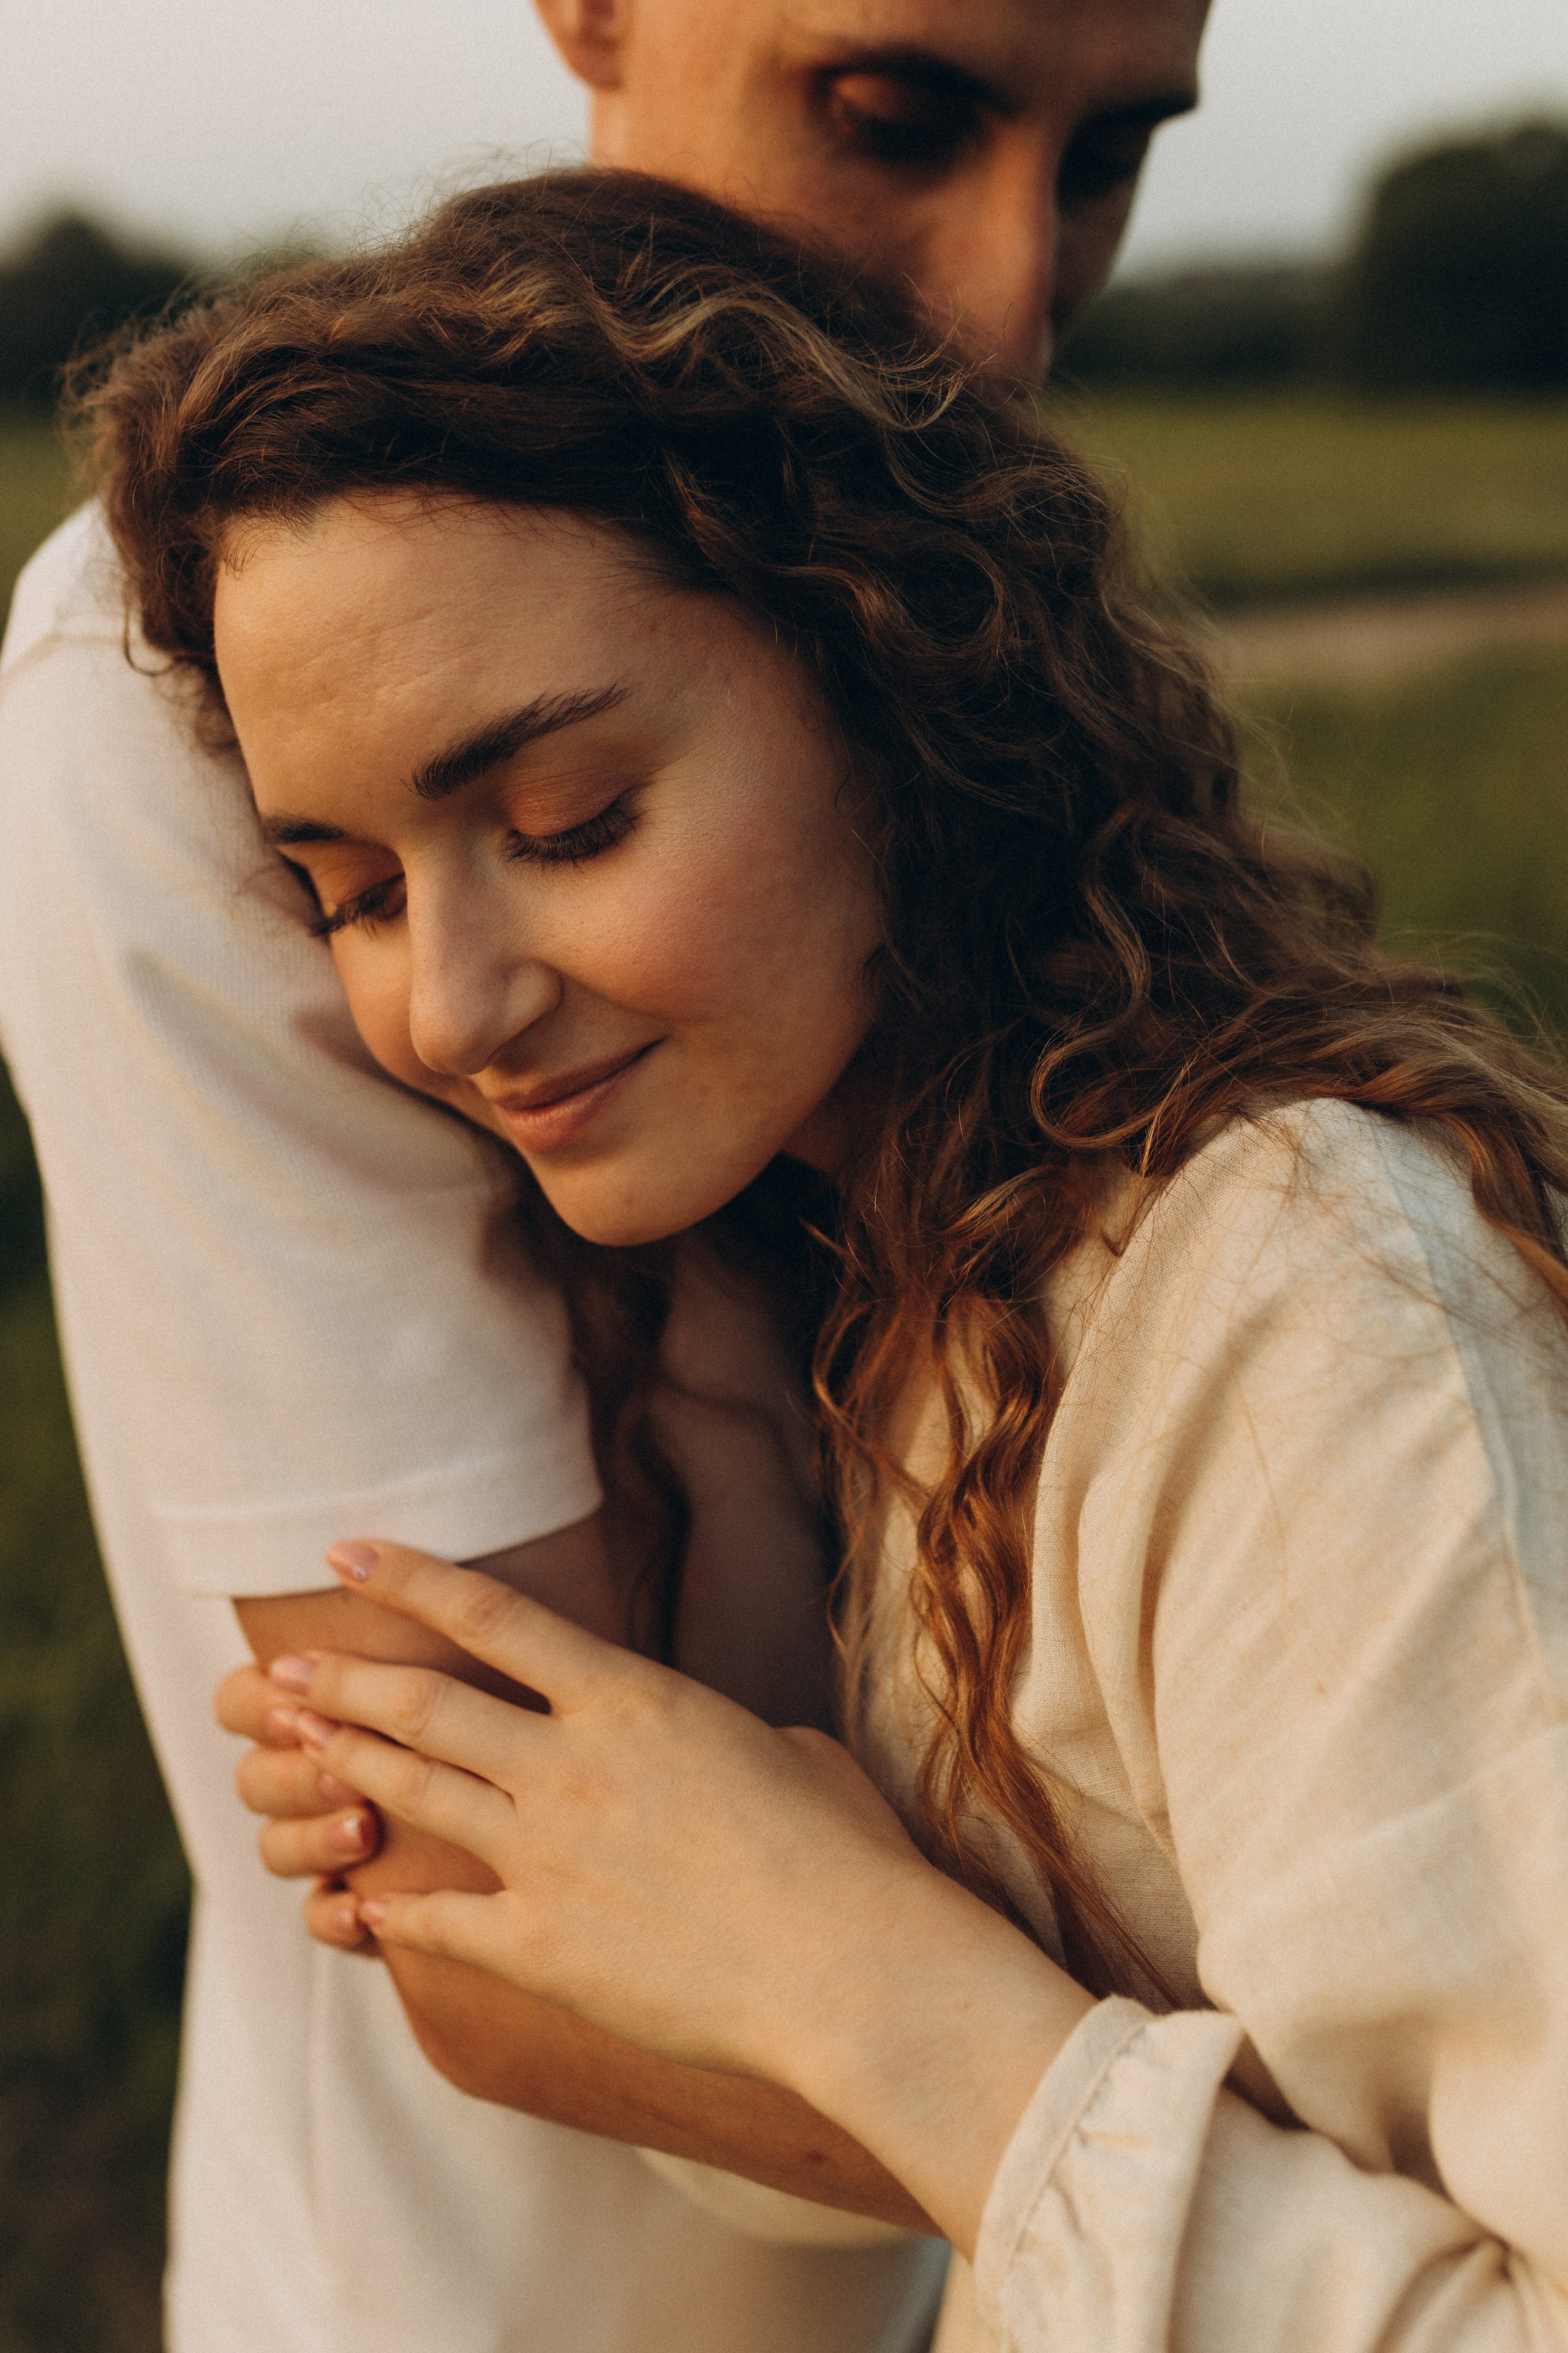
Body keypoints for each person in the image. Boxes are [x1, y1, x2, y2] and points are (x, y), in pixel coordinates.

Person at [85, 172, 1568, 2351]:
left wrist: (844, 1965)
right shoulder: (874, 1291)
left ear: (889, 676)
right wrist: (627, 1867)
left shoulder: (1294, 1297)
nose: (452, 1003)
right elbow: (1037, 2151)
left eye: (568, 822)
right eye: (358, 892)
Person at [0, 5, 1210, 2349]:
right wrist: (1366, 2124)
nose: (1003, 313)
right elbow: (496, 1920)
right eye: (895, 118)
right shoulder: (218, 671)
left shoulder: (933, 649)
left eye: (1106, 165)